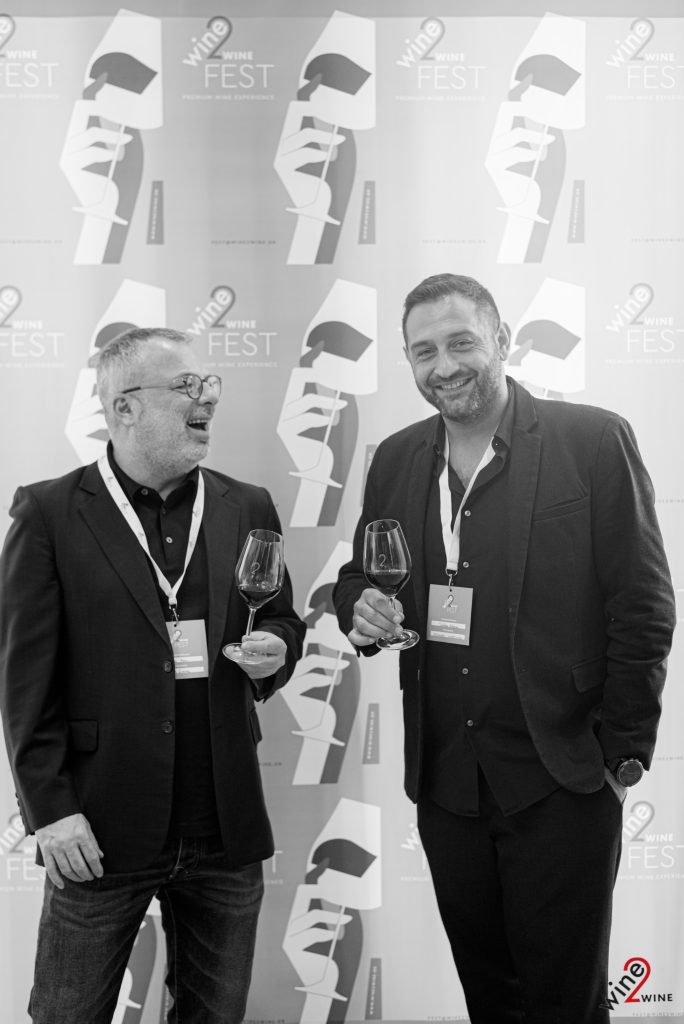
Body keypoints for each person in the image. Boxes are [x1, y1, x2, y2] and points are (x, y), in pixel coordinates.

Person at [333, 274, 676, 1024]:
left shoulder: (592, 440)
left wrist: (619, 759)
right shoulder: (396, 458)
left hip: (562, 777)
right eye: (423, 351)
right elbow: (362, 573)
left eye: (461, 342)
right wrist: (356, 606)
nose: (444, 365)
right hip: (447, 784)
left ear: (502, 340)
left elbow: (643, 603)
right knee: (489, 997)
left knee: (565, 1004)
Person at [0, 327, 306, 1024]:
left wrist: (278, 650)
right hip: (97, 829)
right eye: (186, 387)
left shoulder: (247, 504)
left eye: (209, 385)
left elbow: (281, 620)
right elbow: (24, 683)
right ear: (124, 407)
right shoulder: (49, 513)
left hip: (224, 826)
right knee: (67, 1013)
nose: (208, 400)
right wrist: (50, 813)